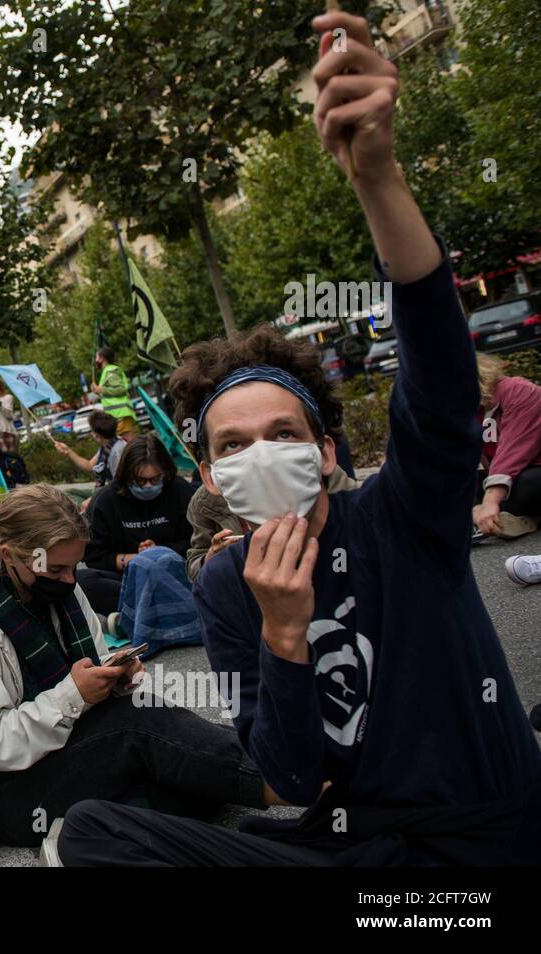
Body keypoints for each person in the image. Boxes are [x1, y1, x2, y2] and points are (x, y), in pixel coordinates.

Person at [58, 12, 540, 866]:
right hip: (355, 849)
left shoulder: (404, 517)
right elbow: (283, 779)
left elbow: (435, 379)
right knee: (94, 833)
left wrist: (378, 177)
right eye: (233, 446)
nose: (262, 455)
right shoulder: (227, 589)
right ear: (209, 475)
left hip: (485, 844)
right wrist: (284, 635)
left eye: (283, 432)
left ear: (325, 452)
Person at [0, 484, 267, 865]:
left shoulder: (62, 590)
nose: (70, 580)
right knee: (142, 729)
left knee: (189, 775)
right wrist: (74, 695)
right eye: (56, 569)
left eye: (74, 565)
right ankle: (289, 779)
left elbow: (97, 667)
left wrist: (117, 674)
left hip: (74, 749)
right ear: (10, 556)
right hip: (2, 791)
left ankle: (82, 836)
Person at [77, 436, 202, 654]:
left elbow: (196, 540)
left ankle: (128, 620)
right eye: (140, 481)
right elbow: (95, 556)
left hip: (177, 572)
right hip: (130, 579)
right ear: (126, 477)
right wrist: (137, 559)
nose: (148, 486)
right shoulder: (106, 501)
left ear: (165, 473)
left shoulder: (180, 491)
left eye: (155, 480)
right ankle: (177, 612)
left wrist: (161, 552)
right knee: (82, 582)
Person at [185, 466, 360, 582]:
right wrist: (211, 558)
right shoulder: (203, 503)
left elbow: (357, 518)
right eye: (232, 444)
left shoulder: (315, 471)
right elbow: (194, 571)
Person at [473, 353, 541, 538]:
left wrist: (489, 501)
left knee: (528, 485)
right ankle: (507, 519)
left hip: (532, 473)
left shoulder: (518, 391)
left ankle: (523, 517)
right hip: (506, 479)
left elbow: (512, 452)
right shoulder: (462, 409)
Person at [53, 410, 127, 491]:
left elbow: (120, 484)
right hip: (107, 491)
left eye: (92, 431)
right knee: (71, 492)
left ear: (97, 435)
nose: (92, 434)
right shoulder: (108, 445)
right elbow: (89, 465)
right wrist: (68, 451)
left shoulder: (117, 451)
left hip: (115, 494)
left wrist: (95, 499)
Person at [90, 347, 137, 437]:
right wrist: (98, 391)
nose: (95, 360)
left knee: (128, 445)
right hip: (118, 415)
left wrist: (102, 390)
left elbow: (121, 390)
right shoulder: (108, 371)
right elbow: (111, 393)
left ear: (101, 358)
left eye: (96, 357)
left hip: (120, 414)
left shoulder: (110, 370)